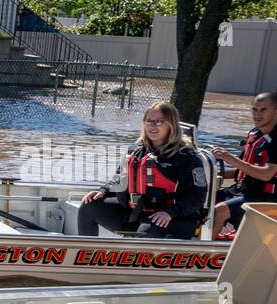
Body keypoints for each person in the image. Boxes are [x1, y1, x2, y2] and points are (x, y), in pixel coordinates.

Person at [78, 100, 206, 240]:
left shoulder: (187, 157)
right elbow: (119, 180)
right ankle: (87, 258)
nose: (152, 125)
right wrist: (103, 191)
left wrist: (170, 213)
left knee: (146, 231)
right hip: (136, 214)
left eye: (159, 122)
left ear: (171, 125)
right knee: (89, 206)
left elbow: (197, 198)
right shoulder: (136, 150)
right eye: (149, 121)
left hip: (173, 217)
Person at [210, 91, 276, 237]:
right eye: (254, 109)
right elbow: (241, 169)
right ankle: (189, 237)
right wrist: (209, 172)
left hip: (267, 199)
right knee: (204, 197)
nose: (257, 114)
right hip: (244, 191)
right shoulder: (255, 135)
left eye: (263, 110)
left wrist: (229, 157)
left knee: (220, 209)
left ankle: (203, 252)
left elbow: (267, 174)